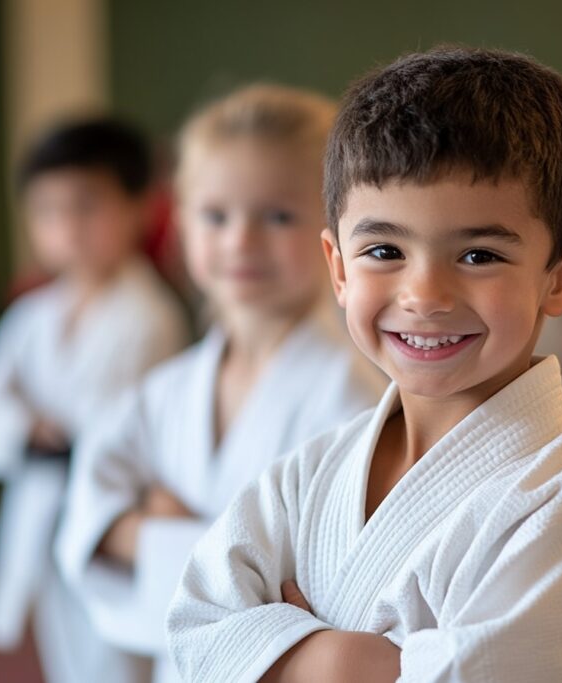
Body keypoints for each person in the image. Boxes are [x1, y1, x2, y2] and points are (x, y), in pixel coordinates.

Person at [166, 47, 562, 683]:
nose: (425, 295)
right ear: (339, 269)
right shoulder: (309, 473)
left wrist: (293, 654)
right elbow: (193, 629)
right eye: (383, 249)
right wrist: (369, 661)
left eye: (480, 256)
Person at [55, 84, 384, 683]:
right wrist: (217, 549)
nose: (240, 241)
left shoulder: (351, 392)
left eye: (278, 215)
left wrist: (155, 528)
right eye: (215, 215)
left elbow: (318, 589)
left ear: (338, 229)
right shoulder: (168, 390)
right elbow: (89, 511)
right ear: (178, 221)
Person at [0, 117, 188, 683]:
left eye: (86, 207)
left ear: (138, 208)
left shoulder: (149, 316)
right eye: (48, 211)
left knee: (111, 661)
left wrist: (41, 422)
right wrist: (23, 428)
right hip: (44, 508)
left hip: (111, 517)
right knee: (59, 660)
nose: (68, 228)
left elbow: (109, 427)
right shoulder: (32, 315)